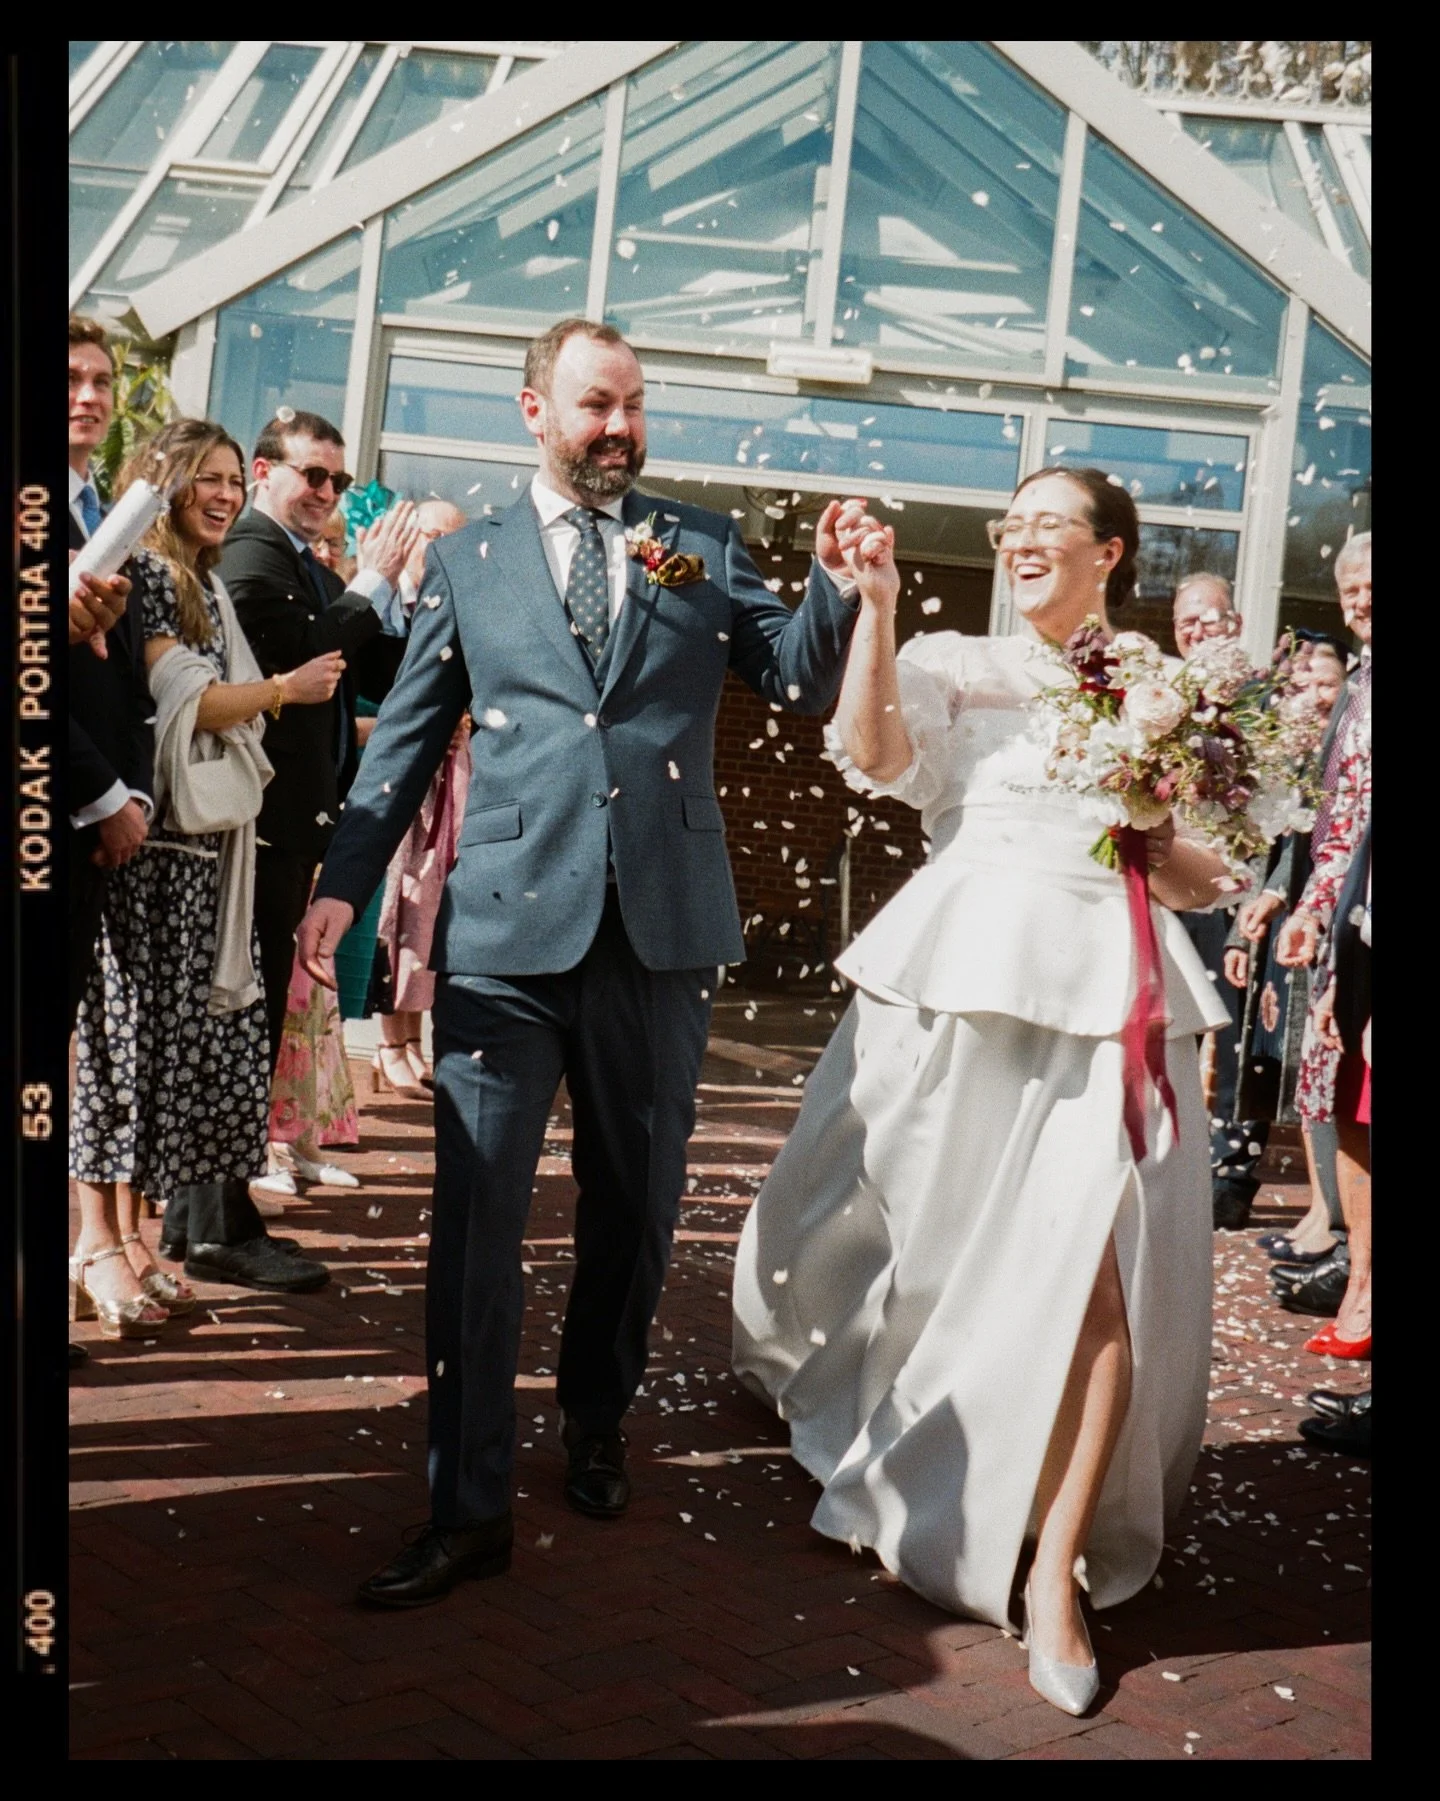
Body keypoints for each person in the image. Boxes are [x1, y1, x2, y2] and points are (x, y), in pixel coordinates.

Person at [295, 317, 865, 1608]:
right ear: (533, 412)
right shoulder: (472, 557)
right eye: (594, 405)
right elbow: (406, 738)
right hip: (502, 932)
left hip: (659, 934)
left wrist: (832, 587)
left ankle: (596, 1418)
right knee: (475, 1225)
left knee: (637, 1206)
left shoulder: (703, 542)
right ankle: (467, 1503)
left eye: (634, 405)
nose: (620, 427)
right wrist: (343, 883)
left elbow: (791, 676)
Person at [733, 467, 1234, 1717]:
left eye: (1045, 523)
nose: (1018, 539)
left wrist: (1141, 822)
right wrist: (881, 608)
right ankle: (942, 1467)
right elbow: (877, 754)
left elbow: (1203, 874)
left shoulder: (1165, 690)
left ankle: (1055, 1566)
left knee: (1092, 1276)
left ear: (1109, 552)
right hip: (963, 995)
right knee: (948, 1269)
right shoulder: (958, 655)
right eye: (1008, 522)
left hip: (1110, 1007)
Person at [71, 419, 334, 1306]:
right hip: (150, 853)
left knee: (166, 1064)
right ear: (166, 483)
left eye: (231, 480)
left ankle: (138, 1241)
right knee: (123, 1051)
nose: (223, 494)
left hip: (201, 858)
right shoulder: (143, 574)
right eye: (207, 480)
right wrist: (282, 691)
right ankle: (97, 1242)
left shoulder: (204, 583)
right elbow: (189, 698)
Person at [218, 411, 421, 1072]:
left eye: (339, 479)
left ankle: (239, 1166)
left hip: (298, 829)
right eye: (312, 474)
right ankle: (221, 1173)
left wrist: (413, 594)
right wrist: (374, 578)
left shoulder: (309, 566)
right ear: (262, 471)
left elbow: (369, 663)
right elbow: (299, 647)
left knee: (272, 1009)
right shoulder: (250, 546)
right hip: (257, 827)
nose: (328, 493)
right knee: (246, 1013)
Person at [67, 317, 152, 1365]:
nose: (88, 395)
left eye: (100, 380)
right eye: (69, 379)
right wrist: (101, 796)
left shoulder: (99, 506)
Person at [1264, 534, 1372, 1320]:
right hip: (1347, 915)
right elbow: (1340, 818)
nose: (1360, 602)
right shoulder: (1361, 684)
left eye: (1372, 586)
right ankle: (1360, 1283)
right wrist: (1309, 904)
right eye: (1349, 592)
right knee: (1343, 1097)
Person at [1222, 634, 1350, 1258]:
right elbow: (1264, 850)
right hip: (1286, 928)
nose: (1317, 697)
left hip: (1330, 922)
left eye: (1328, 685)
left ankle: (1333, 1220)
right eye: (1303, 687)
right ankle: (1321, 1212)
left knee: (1322, 1071)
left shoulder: (1348, 752)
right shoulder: (1290, 758)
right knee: (1299, 1079)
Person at [1166, 573, 1267, 1228]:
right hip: (1170, 884)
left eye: (1209, 618)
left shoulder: (1261, 699)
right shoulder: (1161, 694)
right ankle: (1169, 1159)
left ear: (1232, 622)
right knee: (1169, 1026)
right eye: (1186, 621)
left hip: (1235, 891)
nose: (1197, 629)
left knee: (1235, 1040)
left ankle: (1233, 1170)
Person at [373, 499, 471, 1098]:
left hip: (447, 781)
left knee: (426, 910)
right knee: (396, 903)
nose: (441, 552)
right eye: (434, 536)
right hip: (395, 781)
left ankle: (410, 1040)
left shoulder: (453, 605)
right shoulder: (386, 604)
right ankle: (389, 1042)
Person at [1171, 571, 1242, 660]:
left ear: (1237, 624)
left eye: (1209, 622)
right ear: (1176, 629)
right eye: (1188, 622)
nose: (1197, 634)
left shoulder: (1249, 674)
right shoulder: (1161, 672)